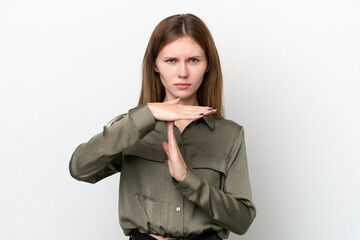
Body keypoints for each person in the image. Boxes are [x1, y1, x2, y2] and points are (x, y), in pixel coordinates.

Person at [69, 13, 256, 240]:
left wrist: (187, 179)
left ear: (208, 65)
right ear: (155, 65)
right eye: (171, 60)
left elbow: (242, 220)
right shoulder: (131, 127)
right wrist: (147, 114)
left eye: (193, 60)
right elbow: (80, 168)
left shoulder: (229, 135)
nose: (183, 72)